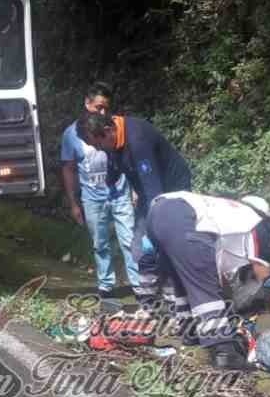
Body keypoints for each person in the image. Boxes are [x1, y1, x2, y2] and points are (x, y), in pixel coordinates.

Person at [142, 191, 270, 370]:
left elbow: (217, 278)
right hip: (181, 214)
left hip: (157, 213)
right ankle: (224, 353)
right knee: (203, 287)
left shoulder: (225, 214)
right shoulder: (256, 221)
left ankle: (191, 334)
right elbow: (262, 270)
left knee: (183, 282)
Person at [76, 111, 191, 307]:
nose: (97, 149)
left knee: (164, 245)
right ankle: (148, 306)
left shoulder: (138, 140)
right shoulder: (113, 137)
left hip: (171, 192)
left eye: (98, 144)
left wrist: (154, 230)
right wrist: (110, 184)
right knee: (139, 248)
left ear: (107, 131)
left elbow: (154, 192)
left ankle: (177, 304)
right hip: (149, 192)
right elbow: (113, 161)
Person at [61, 82, 139, 298]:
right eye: (98, 107)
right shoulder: (71, 134)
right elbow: (68, 169)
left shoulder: (113, 127)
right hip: (92, 198)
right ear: (87, 103)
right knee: (100, 244)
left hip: (120, 192)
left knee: (129, 240)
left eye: (106, 107)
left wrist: (134, 188)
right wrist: (73, 203)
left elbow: (128, 158)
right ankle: (106, 285)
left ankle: (140, 286)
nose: (103, 112)